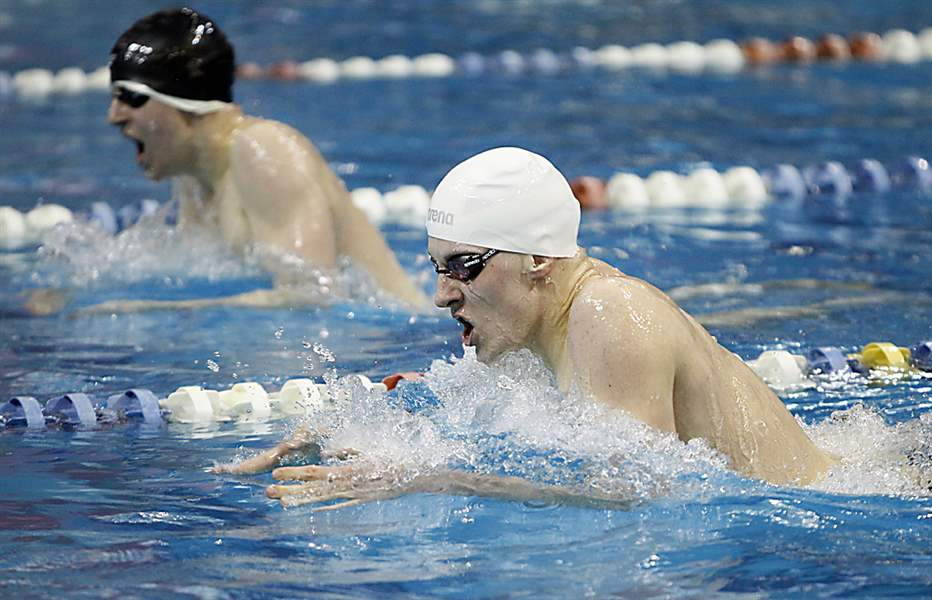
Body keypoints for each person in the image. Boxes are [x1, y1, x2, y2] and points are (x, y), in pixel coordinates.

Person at [214, 147, 838, 508]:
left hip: (844, 510)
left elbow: (641, 494)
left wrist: (430, 481)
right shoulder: (525, 329)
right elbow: (482, 421)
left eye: (464, 266)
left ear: (538, 259)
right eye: (436, 267)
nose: (440, 295)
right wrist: (351, 432)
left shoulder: (609, 312)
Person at [59, 7, 427, 314]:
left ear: (181, 102)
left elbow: (312, 294)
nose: (114, 115)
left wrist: (145, 309)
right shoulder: (195, 175)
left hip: (397, 343)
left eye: (129, 97)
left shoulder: (264, 150)